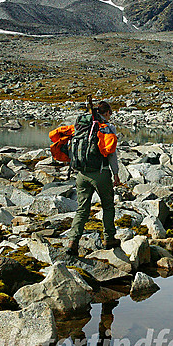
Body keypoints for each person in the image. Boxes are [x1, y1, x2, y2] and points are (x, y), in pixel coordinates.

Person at [66, 100, 121, 256]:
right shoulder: (106, 128)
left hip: (81, 174)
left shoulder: (81, 127)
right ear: (106, 113)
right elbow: (111, 153)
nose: (110, 116)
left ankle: (72, 242)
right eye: (110, 113)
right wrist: (116, 173)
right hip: (100, 173)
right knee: (108, 206)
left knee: (82, 210)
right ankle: (109, 238)